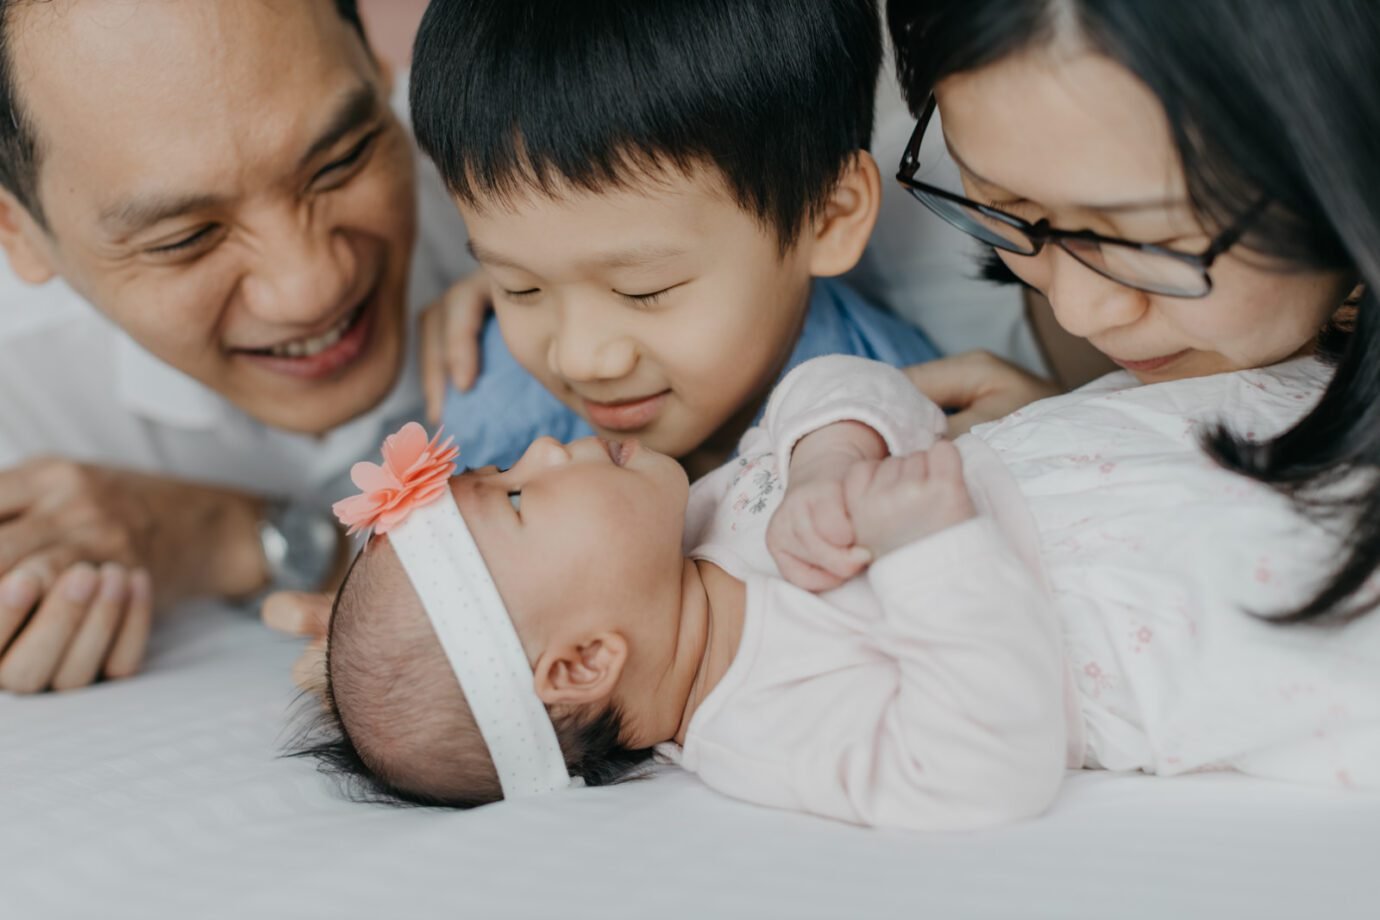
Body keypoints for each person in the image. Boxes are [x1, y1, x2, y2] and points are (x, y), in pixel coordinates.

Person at [297, 351, 1377, 826]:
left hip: (1158, 450)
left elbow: (837, 384)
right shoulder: (761, 724)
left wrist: (827, 453)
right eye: (521, 497)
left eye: (507, 468)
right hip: (1171, 602)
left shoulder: (713, 512)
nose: (542, 444)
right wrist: (929, 548)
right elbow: (977, 769)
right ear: (583, 661)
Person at [0, 0, 475, 693]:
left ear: (379, 72)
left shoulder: (559, 184)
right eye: (184, 239)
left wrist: (225, 535)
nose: (310, 288)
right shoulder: (18, 378)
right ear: (17, 233)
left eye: (341, 161)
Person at [409, 0, 940, 480]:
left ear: (827, 219)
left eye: (643, 290)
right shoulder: (491, 408)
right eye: (519, 288)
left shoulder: (900, 451)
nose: (580, 359)